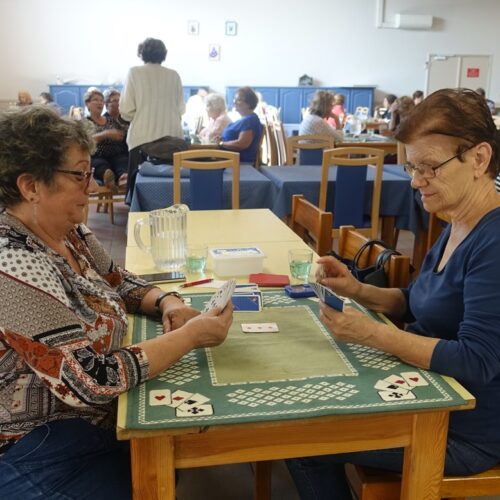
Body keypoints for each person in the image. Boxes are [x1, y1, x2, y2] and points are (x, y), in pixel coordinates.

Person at [0, 106, 233, 499]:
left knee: (166, 464)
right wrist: (189, 337)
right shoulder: (12, 260)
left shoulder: (68, 231)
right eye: (79, 175)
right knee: (155, 478)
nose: (90, 187)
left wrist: (168, 302)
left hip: (89, 425)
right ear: (31, 186)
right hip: (34, 446)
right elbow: (90, 380)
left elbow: (116, 279)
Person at [286, 88, 500, 499]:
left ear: (479, 158)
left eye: (429, 167)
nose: (417, 181)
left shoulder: (492, 240)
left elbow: (477, 361)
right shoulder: (457, 220)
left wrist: (369, 333)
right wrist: (358, 290)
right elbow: (419, 301)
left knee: (301, 437)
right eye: (411, 167)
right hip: (428, 392)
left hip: (462, 429)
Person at [120, 37, 185, 198]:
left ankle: (137, 213)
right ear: (164, 54)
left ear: (141, 53)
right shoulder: (174, 75)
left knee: (138, 187)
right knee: (171, 188)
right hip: (172, 140)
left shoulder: (134, 72)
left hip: (142, 139)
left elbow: (126, 111)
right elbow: (181, 109)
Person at [84, 88, 129, 192]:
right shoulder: (85, 122)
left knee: (122, 160)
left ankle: (123, 178)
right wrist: (106, 134)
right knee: (99, 164)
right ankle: (108, 177)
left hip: (116, 154)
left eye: (101, 100)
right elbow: (85, 140)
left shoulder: (110, 120)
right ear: (87, 104)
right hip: (97, 155)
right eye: (96, 100)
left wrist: (120, 135)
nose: (100, 103)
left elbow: (122, 133)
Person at [217, 86, 263, 164]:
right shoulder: (245, 119)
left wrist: (221, 144)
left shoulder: (249, 120)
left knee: (198, 162)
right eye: (234, 99)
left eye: (238, 100)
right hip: (228, 160)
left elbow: (242, 144)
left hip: (237, 163)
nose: (234, 102)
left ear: (249, 103)